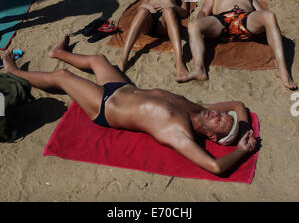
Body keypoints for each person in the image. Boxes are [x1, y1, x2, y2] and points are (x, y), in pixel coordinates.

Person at [2, 39, 257, 175]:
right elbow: (237, 104)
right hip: (121, 89)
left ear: (211, 136)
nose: (219, 113)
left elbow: (215, 167)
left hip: (105, 107)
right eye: (223, 115)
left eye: (221, 121)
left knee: (62, 77)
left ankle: (14, 72)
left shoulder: (178, 133)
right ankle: (58, 51)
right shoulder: (199, 110)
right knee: (98, 59)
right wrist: (245, 130)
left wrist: (242, 151)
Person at [185, 0, 298, 90]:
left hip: (246, 19)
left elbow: (260, 11)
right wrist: (201, 26)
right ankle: (199, 69)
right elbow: (203, 12)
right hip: (222, 21)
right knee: (193, 25)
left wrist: (265, 24)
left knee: (269, 15)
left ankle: (283, 70)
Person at [119, 0, 190, 81]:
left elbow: (184, 13)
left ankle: (179, 62)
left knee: (168, 11)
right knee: (143, 11)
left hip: (164, 22)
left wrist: (172, 7)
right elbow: (141, 6)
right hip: (148, 19)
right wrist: (147, 7)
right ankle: (123, 59)